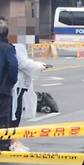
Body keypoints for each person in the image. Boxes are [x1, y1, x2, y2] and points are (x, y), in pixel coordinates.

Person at [10, 43, 46, 151]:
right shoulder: (15, 45)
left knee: (14, 112)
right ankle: (13, 141)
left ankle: (13, 139)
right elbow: (22, 63)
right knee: (14, 113)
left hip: (17, 84)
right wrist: (39, 66)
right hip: (16, 84)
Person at [0, 18, 18, 152]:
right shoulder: (8, 49)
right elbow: (13, 68)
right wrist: (10, 83)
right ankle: (3, 145)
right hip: (3, 90)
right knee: (2, 118)